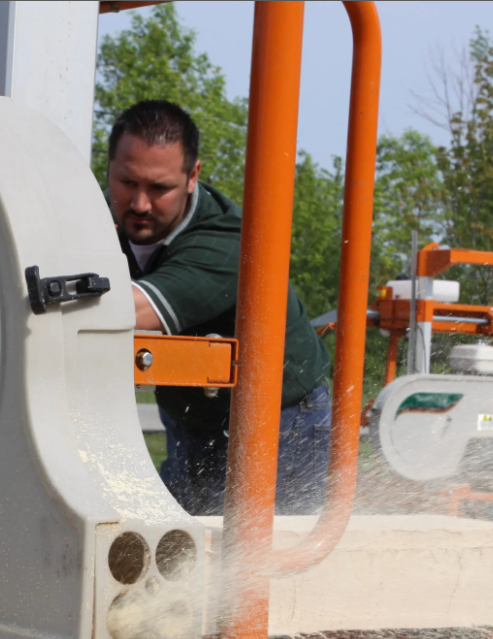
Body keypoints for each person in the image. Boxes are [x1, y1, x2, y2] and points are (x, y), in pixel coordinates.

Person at [106, 100, 332, 516]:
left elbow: (129, 309)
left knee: (266, 564)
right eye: (126, 182)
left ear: (192, 176)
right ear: (109, 169)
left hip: (282, 423)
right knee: (183, 550)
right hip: (192, 414)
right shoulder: (100, 220)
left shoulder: (227, 243)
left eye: (159, 189)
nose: (139, 203)